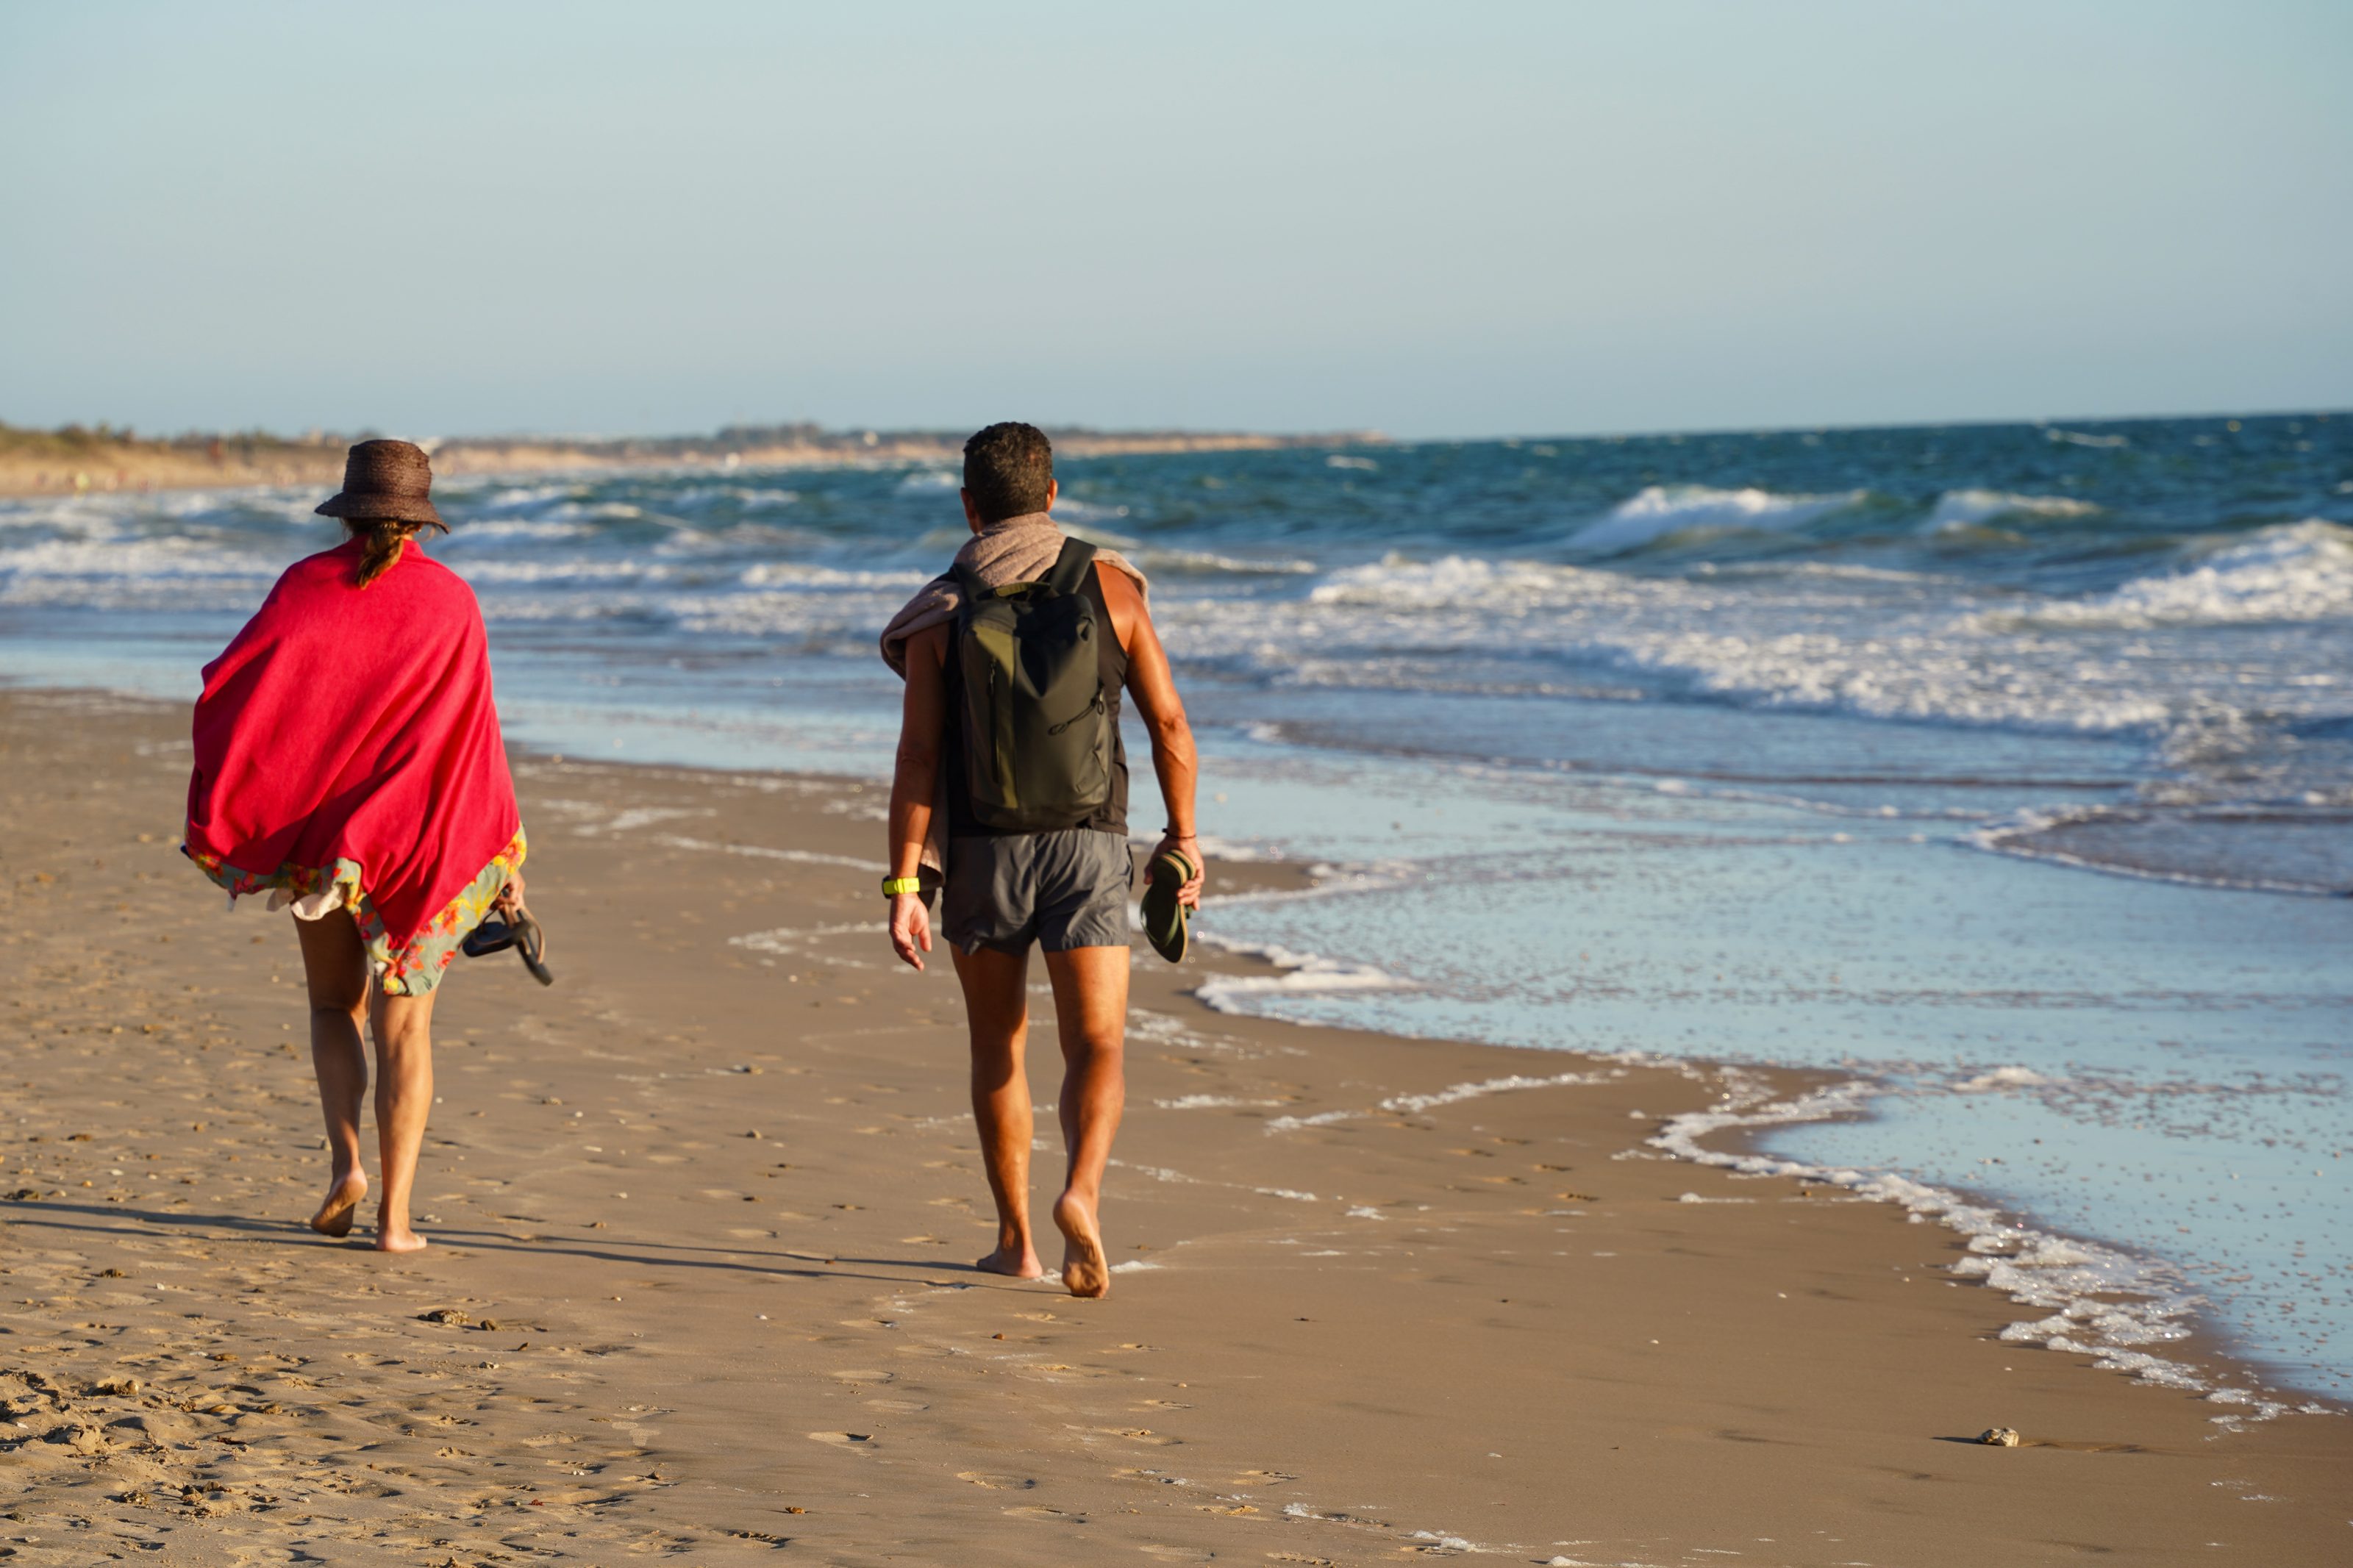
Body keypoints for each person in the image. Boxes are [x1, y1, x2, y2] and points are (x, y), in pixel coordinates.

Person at [879, 422, 1204, 1297]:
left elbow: (916, 760)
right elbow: (1169, 725)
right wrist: (1182, 837)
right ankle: (1082, 1195)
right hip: (1090, 847)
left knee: (998, 1045)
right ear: (1052, 494)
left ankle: (1015, 1242)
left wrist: (906, 881)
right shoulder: (1113, 590)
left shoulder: (940, 612)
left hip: (985, 853)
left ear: (969, 505)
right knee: (1095, 1042)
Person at [183, 440, 526, 1253]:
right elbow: (472, 737)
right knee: (406, 1029)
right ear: (420, 521)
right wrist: (507, 845)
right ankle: (396, 1222)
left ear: (348, 511)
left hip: (325, 846)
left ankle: (346, 1166)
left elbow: (234, 685)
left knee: (333, 1005)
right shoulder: (452, 602)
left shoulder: (305, 584)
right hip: (425, 840)